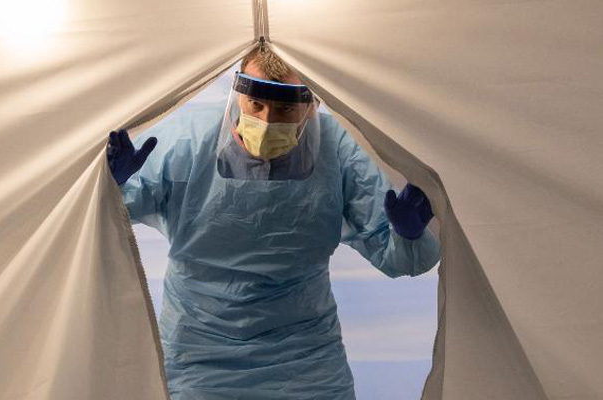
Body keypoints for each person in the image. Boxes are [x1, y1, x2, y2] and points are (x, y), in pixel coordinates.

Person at [106, 45, 440, 400]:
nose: (267, 122)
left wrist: (410, 236)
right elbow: (109, 223)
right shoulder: (186, 143)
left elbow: (395, 255)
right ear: (237, 96)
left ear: (312, 105)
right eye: (257, 105)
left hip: (305, 358)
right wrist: (110, 188)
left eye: (284, 108)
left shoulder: (338, 149)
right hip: (200, 355)